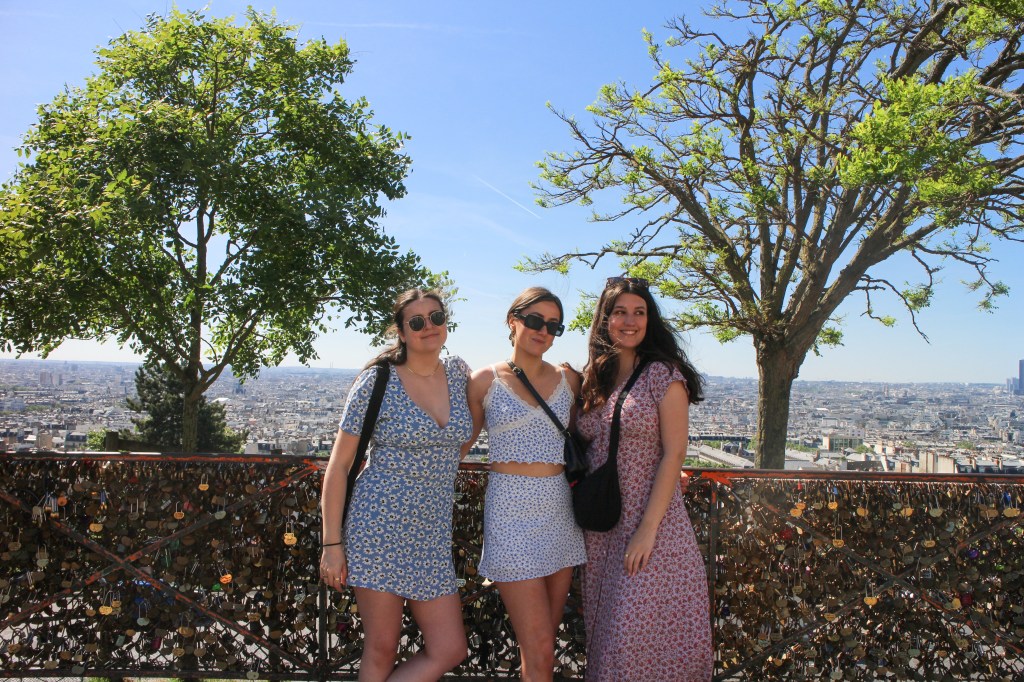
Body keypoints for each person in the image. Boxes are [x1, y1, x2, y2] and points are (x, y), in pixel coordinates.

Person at [320, 288, 472, 682]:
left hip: (432, 533)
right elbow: (339, 467)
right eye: (417, 322)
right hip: (378, 527)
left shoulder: (457, 373)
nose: (429, 327)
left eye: (436, 318)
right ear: (402, 332)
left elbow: (471, 425)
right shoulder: (377, 381)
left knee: (450, 648)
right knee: (382, 646)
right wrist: (331, 545)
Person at [576, 276, 712, 682]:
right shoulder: (594, 378)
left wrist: (647, 531)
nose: (630, 321)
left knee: (630, 638)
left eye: (639, 312)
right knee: (606, 640)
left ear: (650, 320)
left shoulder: (662, 375)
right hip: (603, 527)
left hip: (652, 525)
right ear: (605, 319)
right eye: (620, 312)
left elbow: (674, 452)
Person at [466, 287, 586, 682]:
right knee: (537, 644)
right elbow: (458, 444)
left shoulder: (570, 378)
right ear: (512, 321)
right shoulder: (484, 380)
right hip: (510, 514)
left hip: (558, 514)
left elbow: (590, 436)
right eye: (535, 321)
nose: (543, 331)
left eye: (554, 326)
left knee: (542, 647)